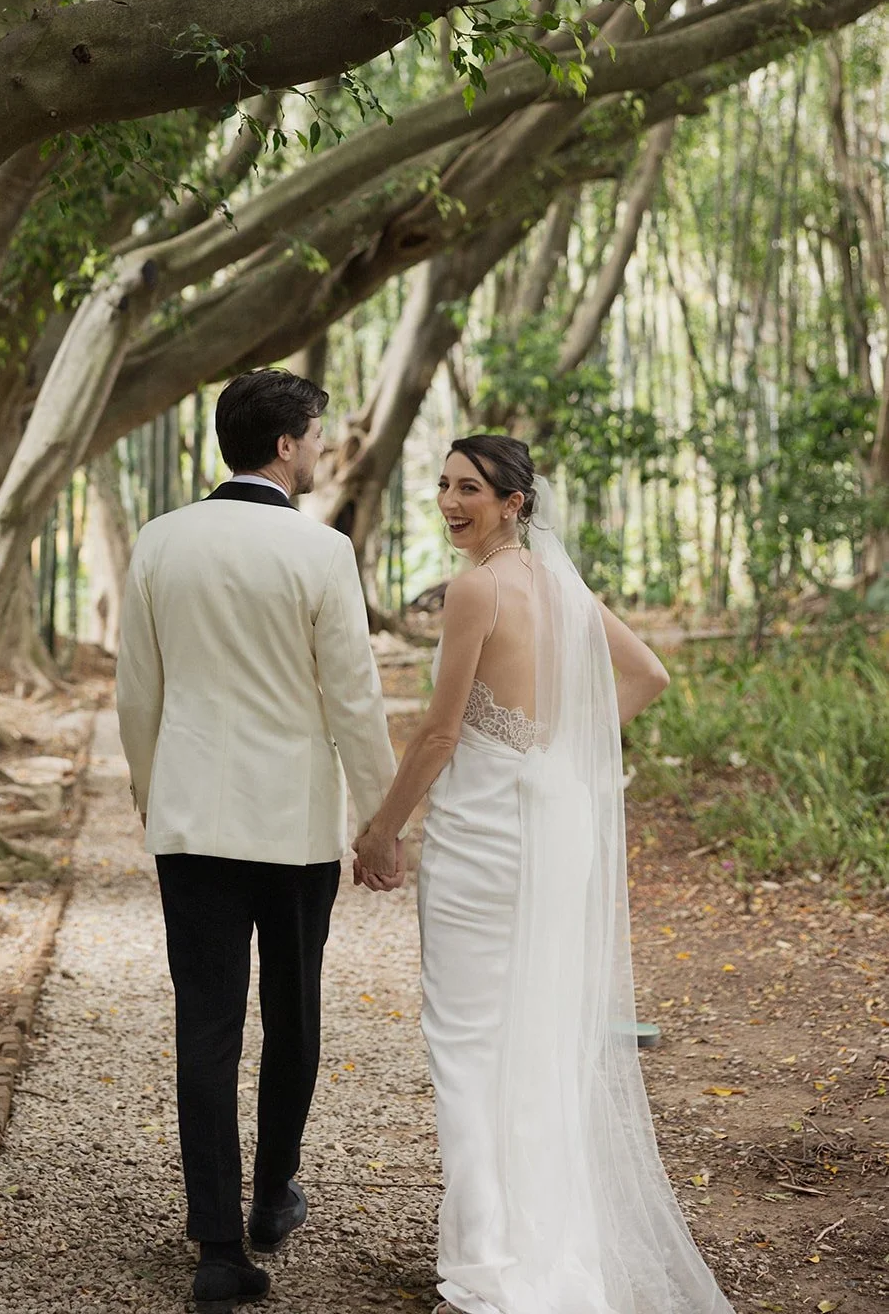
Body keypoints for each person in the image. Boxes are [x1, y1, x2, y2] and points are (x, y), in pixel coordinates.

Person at [354, 435, 736, 1314]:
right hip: (550, 824)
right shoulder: (560, 586)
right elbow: (646, 674)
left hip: (483, 837)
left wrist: (381, 830)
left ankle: (490, 1262)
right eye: (443, 486)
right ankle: (544, 1243)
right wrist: (562, 744)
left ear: (514, 503)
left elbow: (440, 733)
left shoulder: (476, 590)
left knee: (466, 1044)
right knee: (537, 1038)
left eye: (470, 489)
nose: (450, 503)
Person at [117, 369, 403, 1312]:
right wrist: (379, 822)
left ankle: (215, 1245)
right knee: (292, 1014)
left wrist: (152, 792)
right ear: (285, 445)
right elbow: (352, 697)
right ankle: (274, 1195)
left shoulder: (161, 541)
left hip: (193, 821)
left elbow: (138, 692)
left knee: (204, 1025)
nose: (321, 449)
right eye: (316, 435)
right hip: (291, 825)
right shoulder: (320, 551)